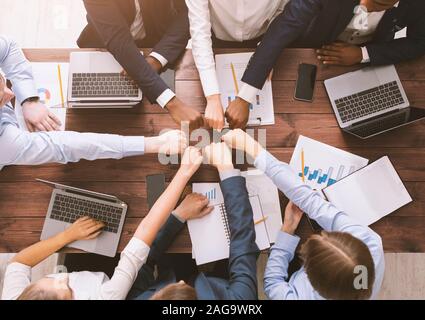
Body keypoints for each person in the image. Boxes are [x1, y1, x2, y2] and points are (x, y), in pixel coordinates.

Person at [1, 147, 204, 300]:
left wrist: (67, 235)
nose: (63, 278)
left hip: (95, 273)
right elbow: (142, 238)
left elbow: (19, 263)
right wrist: (184, 172)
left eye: (52, 279)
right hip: (117, 286)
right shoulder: (108, 296)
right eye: (66, 289)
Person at [221, 129, 385, 300]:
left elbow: (272, 284)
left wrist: (286, 232)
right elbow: (311, 202)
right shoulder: (370, 243)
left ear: (311, 279)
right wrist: (254, 149)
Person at [226, 0, 425, 129]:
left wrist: (363, 54)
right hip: (315, 48)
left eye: (376, 4)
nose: (363, 4)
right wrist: (245, 97)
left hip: (367, 60)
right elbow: (288, 23)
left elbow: (419, 42)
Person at [0, 35, 187, 169]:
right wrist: (153, 144)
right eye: (1, 98)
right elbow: (68, 146)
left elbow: (8, 48)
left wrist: (28, 98)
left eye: (2, 82)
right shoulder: (5, 145)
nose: (10, 92)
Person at [128, 142, 260, 300]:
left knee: (173, 260)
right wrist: (227, 169)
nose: (183, 281)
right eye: (182, 285)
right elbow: (243, 241)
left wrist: (177, 216)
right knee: (228, 257)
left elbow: (143, 261)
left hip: (171, 269)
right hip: (219, 287)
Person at [78, 0, 204, 131]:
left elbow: (188, 12)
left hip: (160, 44)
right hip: (107, 45)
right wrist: (172, 103)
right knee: (98, 121)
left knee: (163, 127)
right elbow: (120, 43)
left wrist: (156, 59)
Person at [185, 0, 289, 130]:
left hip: (262, 39)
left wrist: (267, 53)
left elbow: (282, 14)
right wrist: (212, 97)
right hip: (217, 40)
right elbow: (200, 33)